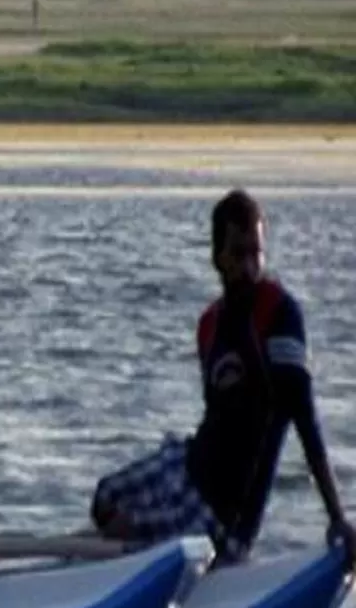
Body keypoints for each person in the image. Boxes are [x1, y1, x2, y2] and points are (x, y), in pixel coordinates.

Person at [93, 190, 349, 562]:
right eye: (238, 253)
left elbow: (304, 417)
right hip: (185, 468)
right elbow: (216, 417)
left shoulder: (279, 314)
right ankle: (93, 558)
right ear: (217, 258)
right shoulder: (209, 325)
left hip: (222, 520)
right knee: (104, 500)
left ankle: (123, 554)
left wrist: (337, 518)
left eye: (255, 253)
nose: (248, 267)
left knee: (126, 532)